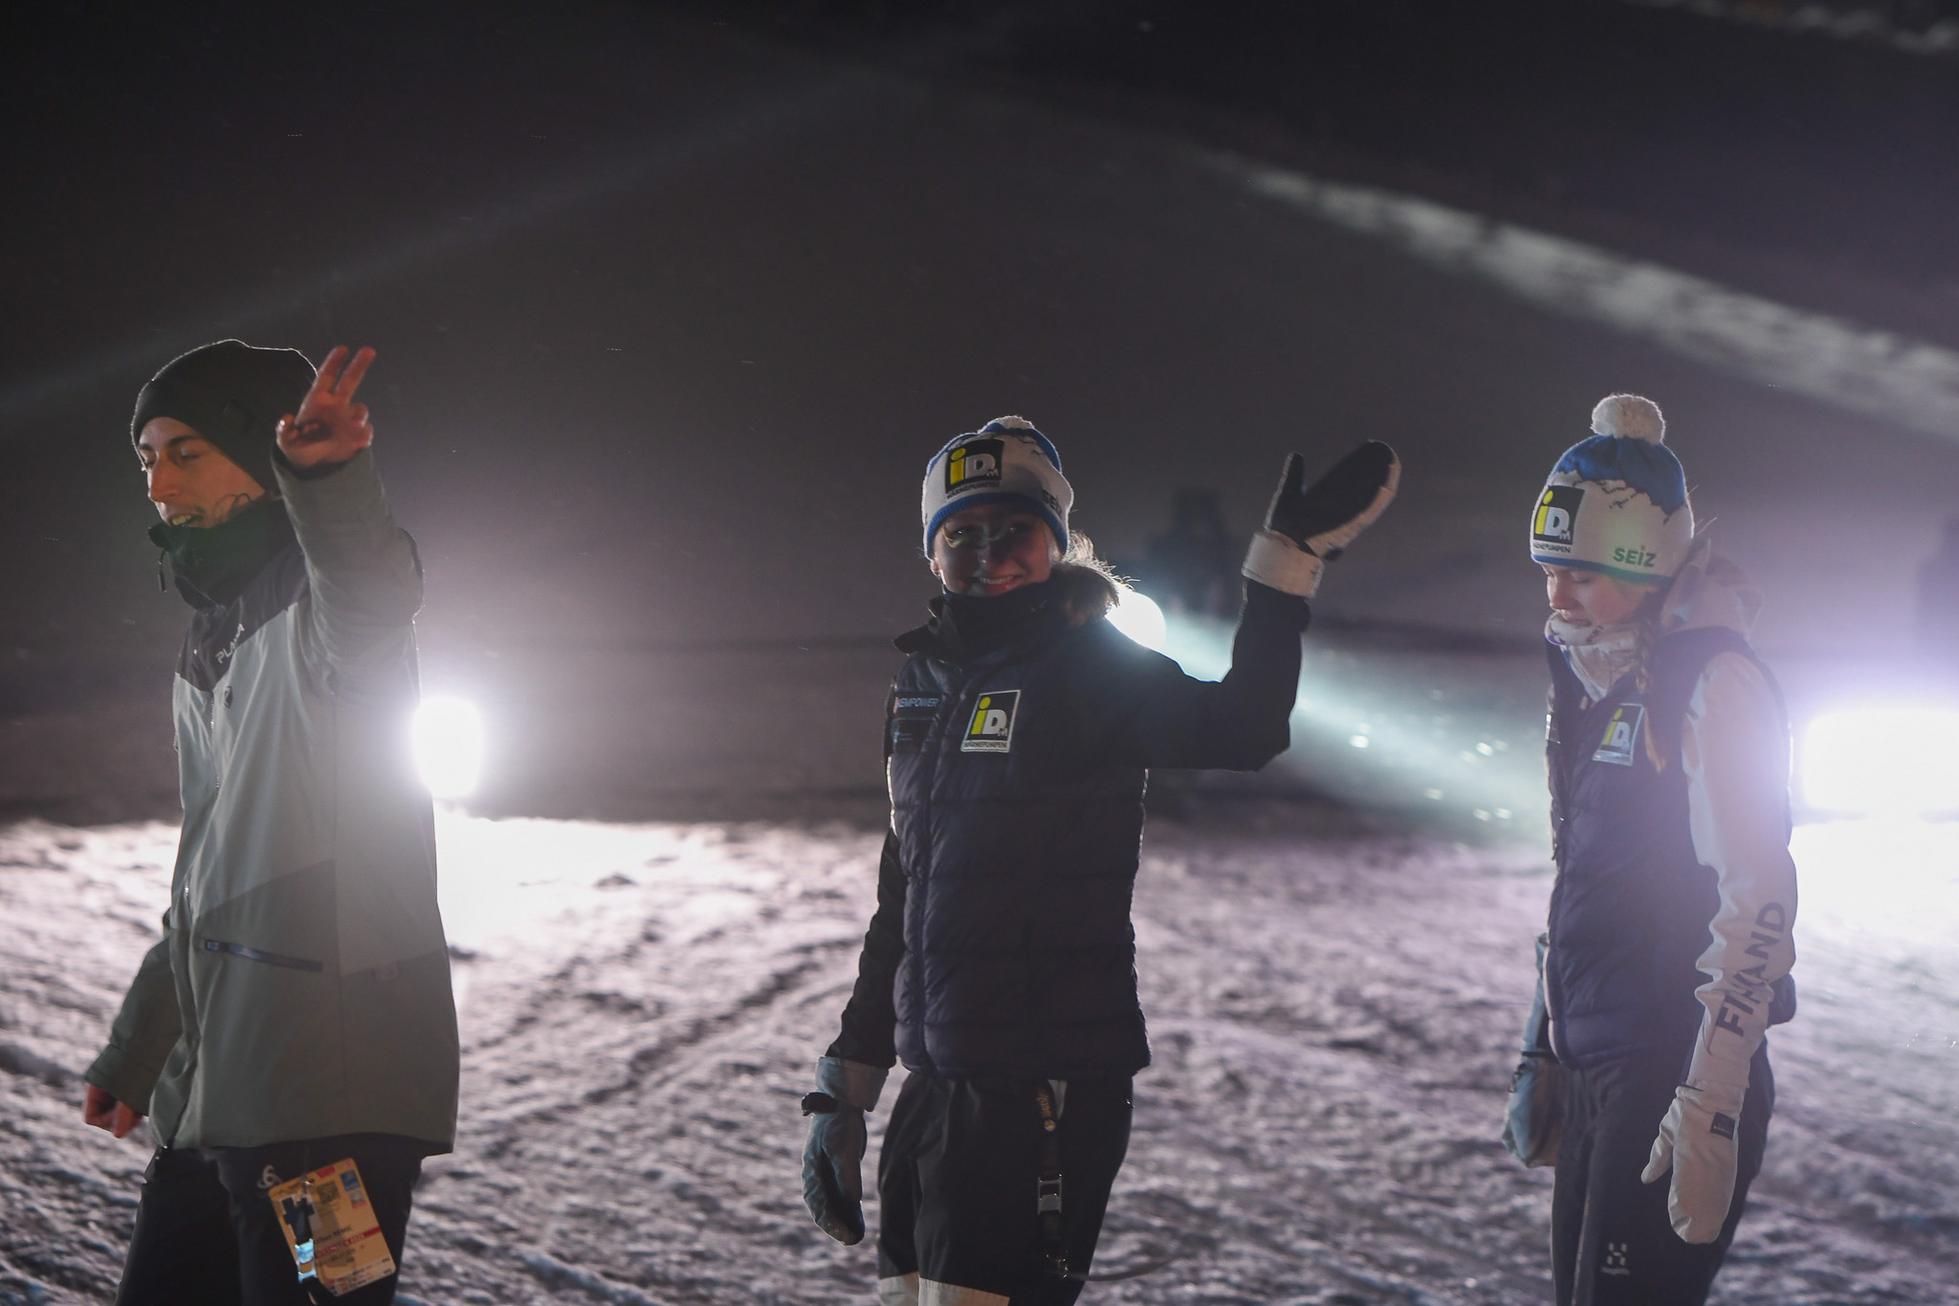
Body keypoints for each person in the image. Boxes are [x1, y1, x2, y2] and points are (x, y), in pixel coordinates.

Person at [800, 416, 1398, 1303]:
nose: (988, 554)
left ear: (1055, 541)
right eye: (962, 533)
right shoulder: (923, 682)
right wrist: (846, 1086)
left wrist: (1282, 571)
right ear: (931, 552)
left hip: (1042, 1079)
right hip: (938, 1077)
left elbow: (1244, 728)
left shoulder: (1087, 667)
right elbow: (905, 893)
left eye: (1015, 529)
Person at [83, 340, 460, 1305]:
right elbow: (215, 869)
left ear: (261, 456)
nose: (158, 482)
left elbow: (370, 584)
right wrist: (143, 1043)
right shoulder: (213, 633)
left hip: (327, 1111)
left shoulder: (329, 622)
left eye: (187, 451)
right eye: (147, 458)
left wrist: (328, 478)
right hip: (216, 1101)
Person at [1520, 394, 1797, 1305]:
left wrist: (1710, 1097)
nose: (1558, 596)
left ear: (1647, 566)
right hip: (1601, 1061)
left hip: (1672, 1069)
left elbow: (1756, 896)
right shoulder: (1595, 674)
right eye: (1549, 570)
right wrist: (1544, 1043)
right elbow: (1584, 873)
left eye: (1582, 574)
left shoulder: (1713, 682)